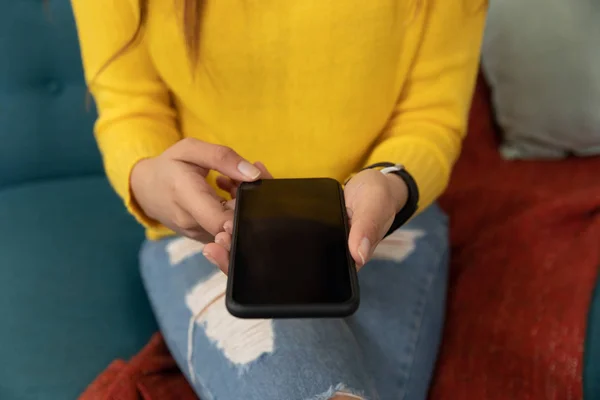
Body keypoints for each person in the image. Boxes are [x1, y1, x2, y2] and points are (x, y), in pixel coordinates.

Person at [72, 0, 486, 399]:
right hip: (208, 226)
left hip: (388, 214)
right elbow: (131, 107)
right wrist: (149, 179)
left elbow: (431, 115)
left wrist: (391, 182)